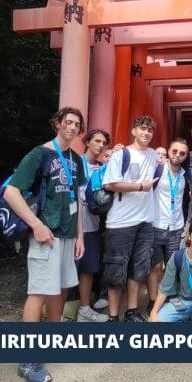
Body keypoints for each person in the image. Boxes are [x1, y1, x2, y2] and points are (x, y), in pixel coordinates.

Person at [3, 106, 86, 382]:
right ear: (58, 124)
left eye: (77, 124)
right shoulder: (40, 154)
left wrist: (80, 236)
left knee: (60, 289)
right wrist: (35, 224)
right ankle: (28, 359)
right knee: (38, 292)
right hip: (45, 235)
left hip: (67, 235)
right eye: (68, 122)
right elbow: (11, 192)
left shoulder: (76, 159)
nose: (73, 128)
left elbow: (76, 197)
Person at [102, 115, 159, 322]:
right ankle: (113, 316)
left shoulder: (153, 154)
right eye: (142, 129)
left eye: (150, 130)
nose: (146, 133)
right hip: (121, 222)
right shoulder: (121, 154)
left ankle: (132, 311)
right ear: (134, 131)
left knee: (139, 268)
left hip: (145, 221)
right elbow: (110, 184)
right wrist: (140, 186)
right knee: (116, 269)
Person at [146, 138, 189, 316]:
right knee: (155, 267)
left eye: (182, 153)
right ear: (169, 152)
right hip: (156, 224)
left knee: (172, 266)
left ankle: (169, 297)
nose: (177, 155)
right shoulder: (157, 168)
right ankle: (152, 300)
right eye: (175, 151)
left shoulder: (185, 174)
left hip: (176, 226)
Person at [149, 218, 192, 322]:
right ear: (189, 236)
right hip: (182, 301)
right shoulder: (177, 257)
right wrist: (153, 313)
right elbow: (164, 289)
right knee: (156, 320)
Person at [75, 129, 111, 322]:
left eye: (104, 143)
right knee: (66, 269)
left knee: (88, 268)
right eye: (97, 141)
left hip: (93, 224)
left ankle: (84, 309)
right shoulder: (75, 164)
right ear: (87, 142)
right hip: (70, 226)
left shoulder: (102, 167)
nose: (100, 145)